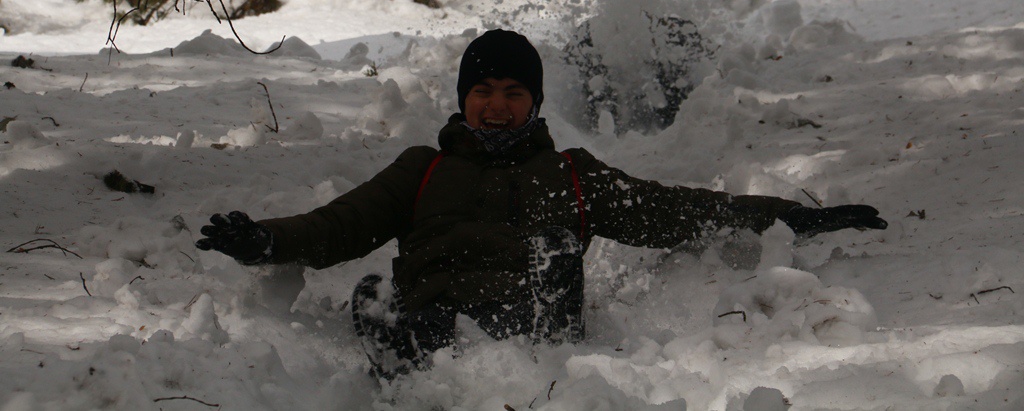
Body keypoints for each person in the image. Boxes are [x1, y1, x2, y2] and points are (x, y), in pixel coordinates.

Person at [195, 29, 887, 379]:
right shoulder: (424, 168)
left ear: (534, 102)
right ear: (463, 98)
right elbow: (340, 224)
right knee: (390, 296)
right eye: (484, 90)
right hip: (435, 307)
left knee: (552, 256)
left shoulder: (570, 174)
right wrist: (268, 241)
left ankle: (527, 344)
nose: (497, 106)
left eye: (513, 92)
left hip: (530, 312)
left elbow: (671, 209)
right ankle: (400, 352)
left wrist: (787, 215)